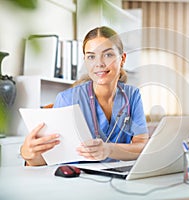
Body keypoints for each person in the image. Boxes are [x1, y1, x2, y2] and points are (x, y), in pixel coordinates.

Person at [20, 26, 149, 166]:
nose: (99, 63)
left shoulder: (132, 96)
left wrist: (110, 149)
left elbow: (141, 147)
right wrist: (28, 154)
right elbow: (49, 158)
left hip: (116, 179)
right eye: (91, 56)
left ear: (122, 58)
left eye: (108, 55)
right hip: (77, 180)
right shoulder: (68, 99)